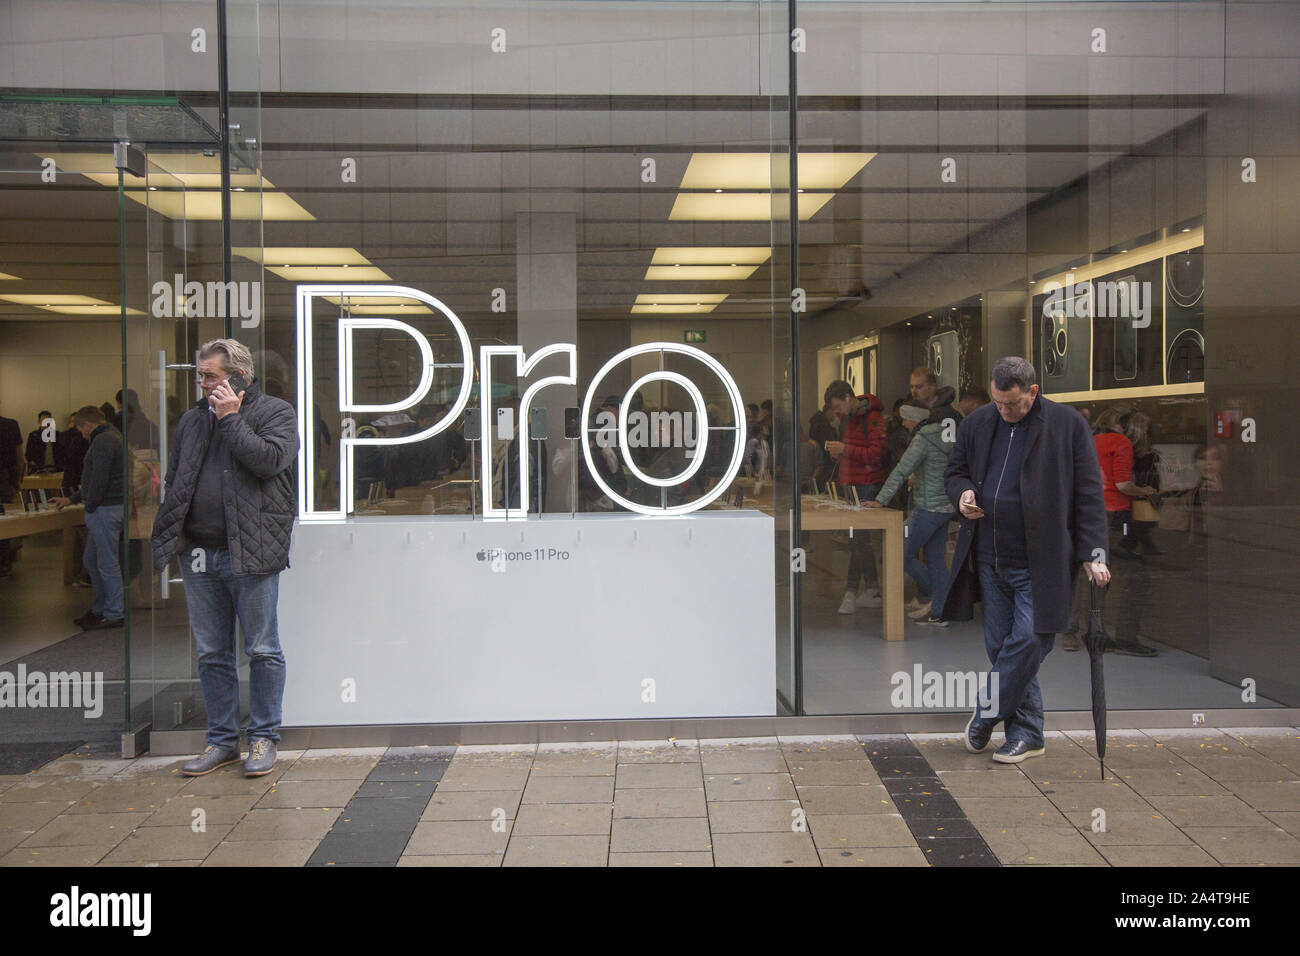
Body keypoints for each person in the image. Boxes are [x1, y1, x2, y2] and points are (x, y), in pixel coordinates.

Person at [943, 356, 1110, 764]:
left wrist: (1093, 552)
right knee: (1003, 649)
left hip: (1042, 560)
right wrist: (963, 495)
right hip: (989, 557)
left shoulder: (1067, 426)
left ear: (1033, 392)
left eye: (1013, 404)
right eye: (999, 402)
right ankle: (1028, 733)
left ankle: (987, 712)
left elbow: (1089, 493)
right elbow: (955, 471)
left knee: (1030, 640)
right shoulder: (979, 422)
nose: (1005, 411)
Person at [151, 338, 298, 778]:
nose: (202, 383)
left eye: (210, 376)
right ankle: (221, 743)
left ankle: (263, 739)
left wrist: (231, 418)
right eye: (200, 376)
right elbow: (177, 478)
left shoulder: (275, 413)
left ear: (238, 377)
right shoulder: (192, 422)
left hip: (250, 551)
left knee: (262, 648)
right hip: (198, 553)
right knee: (213, 652)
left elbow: (270, 462)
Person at [863, 400, 955, 626]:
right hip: (945, 505)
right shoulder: (948, 434)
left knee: (902, 554)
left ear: (915, 418)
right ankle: (939, 611)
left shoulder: (923, 437)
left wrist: (880, 499)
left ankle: (938, 599)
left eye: (906, 418)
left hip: (927, 506)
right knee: (935, 558)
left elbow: (903, 469)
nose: (903, 423)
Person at [1091, 405, 1159, 657]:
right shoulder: (1120, 443)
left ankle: (1095, 632)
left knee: (1098, 576)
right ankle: (1127, 637)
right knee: (1136, 577)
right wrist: (1146, 491)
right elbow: (1122, 483)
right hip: (1117, 516)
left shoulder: (1094, 440)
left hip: (1095, 515)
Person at [50, 406, 126, 629]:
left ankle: (113, 612)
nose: (81, 434)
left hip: (104, 509)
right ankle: (100, 608)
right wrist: (71, 499)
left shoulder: (103, 441)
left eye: (80, 429)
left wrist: (90, 505)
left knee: (106, 562)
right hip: (107, 507)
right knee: (92, 560)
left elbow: (98, 479)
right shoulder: (114, 436)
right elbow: (97, 478)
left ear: (88, 424)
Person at [824, 379, 888, 615]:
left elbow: (876, 454)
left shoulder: (873, 418)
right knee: (859, 541)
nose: (837, 412)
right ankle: (871, 589)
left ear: (848, 398)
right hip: (849, 484)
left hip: (867, 485)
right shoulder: (847, 420)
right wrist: (838, 455)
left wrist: (845, 450)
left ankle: (852, 591)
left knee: (859, 540)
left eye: (838, 406)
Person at [0, 403, 26, 578]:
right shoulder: (10, 425)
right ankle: (4, 562)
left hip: (5, 478)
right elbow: (19, 457)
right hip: (5, 479)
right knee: (5, 522)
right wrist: (17, 481)